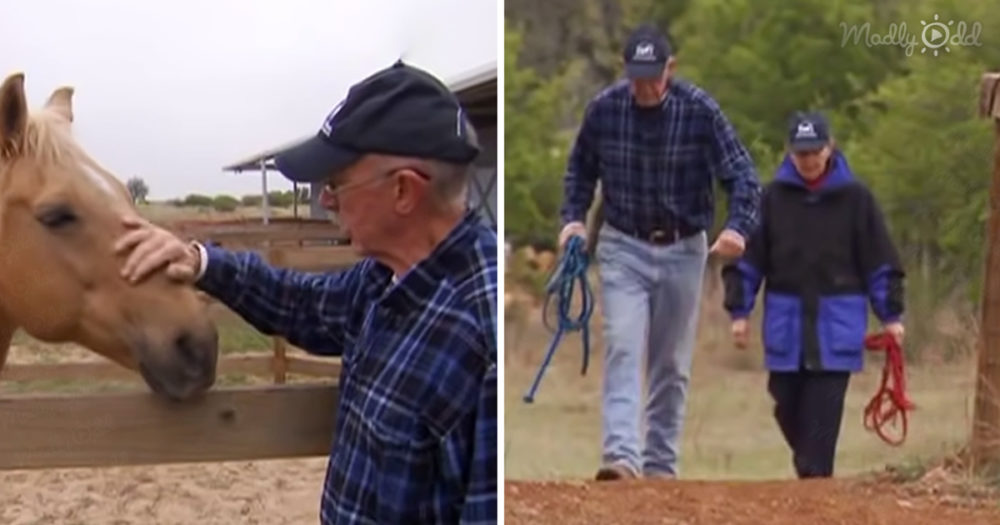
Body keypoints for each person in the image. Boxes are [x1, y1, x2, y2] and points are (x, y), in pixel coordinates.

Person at [113, 61, 497, 524]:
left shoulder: (485, 339)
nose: (326, 200)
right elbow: (302, 303)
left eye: (335, 183)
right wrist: (202, 262)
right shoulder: (383, 281)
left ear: (402, 191)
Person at [558, 22, 763, 481]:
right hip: (622, 244)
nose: (645, 87)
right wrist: (572, 220)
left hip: (684, 247)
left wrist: (738, 228)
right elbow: (579, 172)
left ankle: (660, 466)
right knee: (623, 346)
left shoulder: (700, 110)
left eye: (653, 76)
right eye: (637, 76)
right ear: (624, 69)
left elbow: (743, 176)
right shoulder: (604, 110)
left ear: (670, 68)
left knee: (670, 362)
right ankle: (621, 457)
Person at [722, 111, 905, 479]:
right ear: (790, 152)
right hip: (786, 326)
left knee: (821, 422)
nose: (808, 160)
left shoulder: (857, 199)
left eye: (814, 152)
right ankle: (812, 479)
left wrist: (891, 316)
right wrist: (739, 311)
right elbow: (749, 261)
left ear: (829, 148)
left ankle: (816, 483)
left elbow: (880, 262)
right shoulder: (771, 198)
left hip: (837, 328)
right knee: (785, 403)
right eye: (801, 153)